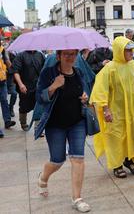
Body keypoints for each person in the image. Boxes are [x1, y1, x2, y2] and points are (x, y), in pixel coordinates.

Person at [90, 36, 134, 178]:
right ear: (119, 50)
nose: (131, 53)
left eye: (132, 50)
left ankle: (130, 160)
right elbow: (100, 90)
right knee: (116, 138)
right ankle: (117, 165)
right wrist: (105, 109)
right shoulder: (109, 69)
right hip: (116, 111)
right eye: (128, 51)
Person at [35, 49, 91, 213]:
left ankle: (77, 198)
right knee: (57, 160)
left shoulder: (78, 72)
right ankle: (43, 177)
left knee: (78, 159)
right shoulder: (48, 73)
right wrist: (53, 86)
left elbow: (84, 92)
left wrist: (85, 97)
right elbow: (39, 97)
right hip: (55, 124)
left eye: (73, 54)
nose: (70, 57)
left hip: (77, 122)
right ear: (58, 56)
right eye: (66, 54)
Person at [13, 51, 45, 131]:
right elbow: (15, 71)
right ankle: (23, 123)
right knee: (24, 106)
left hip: (38, 86)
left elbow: (45, 69)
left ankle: (37, 127)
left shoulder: (40, 55)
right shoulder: (20, 56)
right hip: (25, 86)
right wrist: (20, 84)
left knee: (39, 106)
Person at [0, 44, 16, 131]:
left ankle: (7, 121)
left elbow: (7, 61)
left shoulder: (2, 50)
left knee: (4, 100)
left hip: (2, 80)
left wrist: (14, 72)